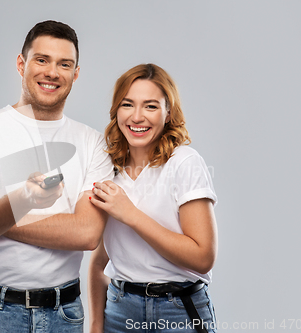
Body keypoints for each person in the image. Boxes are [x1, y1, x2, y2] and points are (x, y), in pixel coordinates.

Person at [0, 20, 114, 333]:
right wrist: (24, 198)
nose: (52, 72)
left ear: (76, 73)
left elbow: (86, 234)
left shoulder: (93, 143)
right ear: (21, 63)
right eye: (42, 60)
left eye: (64, 64)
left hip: (64, 314)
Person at [88, 64, 218, 333]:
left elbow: (203, 257)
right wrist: (96, 324)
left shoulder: (184, 162)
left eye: (150, 106)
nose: (137, 117)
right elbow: (101, 260)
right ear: (116, 111)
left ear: (168, 112)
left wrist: (131, 215)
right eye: (127, 105)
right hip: (119, 311)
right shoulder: (108, 169)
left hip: (178, 311)